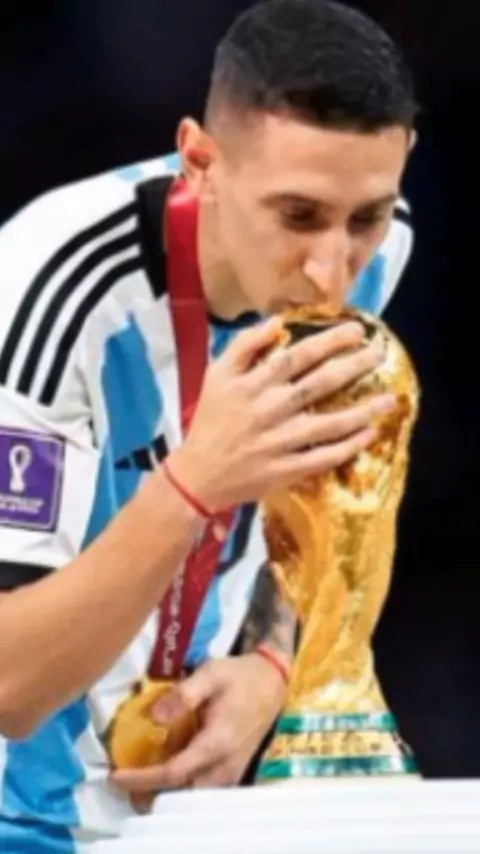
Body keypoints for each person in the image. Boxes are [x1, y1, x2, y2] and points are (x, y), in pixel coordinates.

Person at [0, 0, 416, 849]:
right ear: (201, 161)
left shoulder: (383, 252)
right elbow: (9, 684)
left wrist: (272, 661)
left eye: (365, 218)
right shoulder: (50, 289)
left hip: (187, 819)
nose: (332, 272)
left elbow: (312, 508)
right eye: (297, 216)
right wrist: (194, 482)